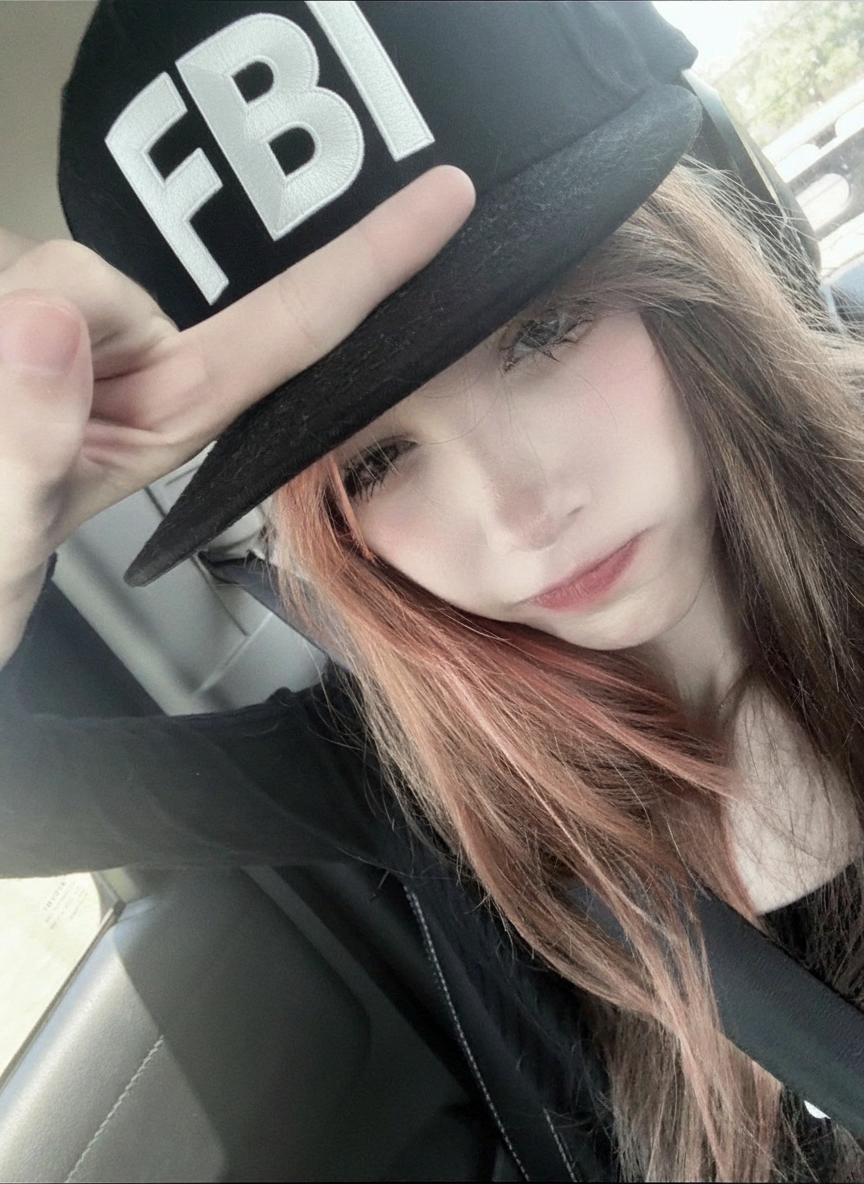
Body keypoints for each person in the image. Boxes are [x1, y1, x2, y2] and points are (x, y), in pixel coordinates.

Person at [2, 1, 864, 1179]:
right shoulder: (396, 770)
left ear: (677, 281)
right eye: (376, 460)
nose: (521, 512)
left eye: (543, 332)